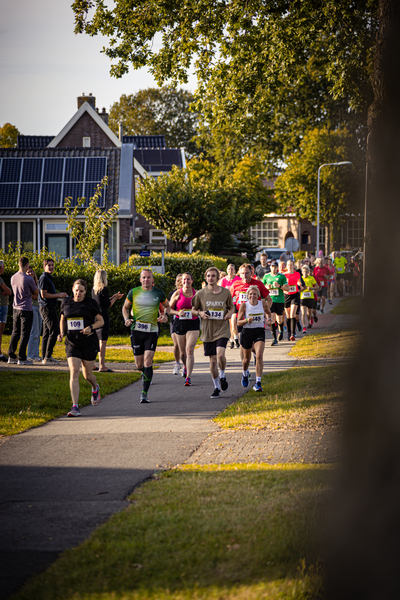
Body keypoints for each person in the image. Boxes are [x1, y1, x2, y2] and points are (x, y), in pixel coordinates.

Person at [122, 269, 170, 403]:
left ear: (152, 280)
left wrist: (165, 316)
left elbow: (167, 306)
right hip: (136, 330)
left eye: (148, 278)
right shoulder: (133, 292)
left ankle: (144, 393)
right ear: (140, 279)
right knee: (139, 365)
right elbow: (125, 307)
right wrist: (126, 318)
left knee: (148, 360)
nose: (146, 280)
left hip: (152, 330)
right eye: (144, 277)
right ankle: (146, 372)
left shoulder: (158, 293)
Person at [57, 279, 104, 417]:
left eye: (81, 291)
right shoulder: (66, 302)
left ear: (85, 292)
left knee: (87, 375)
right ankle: (75, 406)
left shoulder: (90, 303)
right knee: (74, 371)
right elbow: (62, 319)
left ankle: (95, 388)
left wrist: (91, 327)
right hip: (72, 343)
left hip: (89, 342)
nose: (78, 293)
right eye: (76, 290)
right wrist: (61, 332)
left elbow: (101, 321)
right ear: (73, 289)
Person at [191, 266, 234, 398]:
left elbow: (232, 307)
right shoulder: (200, 294)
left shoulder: (225, 292)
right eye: (208, 276)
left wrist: (229, 314)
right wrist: (200, 313)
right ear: (205, 278)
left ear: (218, 277)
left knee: (220, 356)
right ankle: (216, 387)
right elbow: (193, 309)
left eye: (213, 276)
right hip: (208, 330)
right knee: (213, 361)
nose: (211, 278)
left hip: (222, 328)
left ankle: (222, 375)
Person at [237, 285, 271, 391]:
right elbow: (238, 322)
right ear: (247, 295)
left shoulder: (263, 304)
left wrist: (269, 319)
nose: (252, 296)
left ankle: (258, 382)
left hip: (259, 331)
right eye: (250, 294)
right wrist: (246, 320)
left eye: (255, 294)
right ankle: (245, 374)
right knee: (246, 360)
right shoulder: (244, 306)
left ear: (258, 295)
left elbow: (268, 313)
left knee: (259, 355)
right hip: (247, 332)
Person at [169, 272, 200, 386]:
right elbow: (169, 310)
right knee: (182, 354)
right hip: (179, 323)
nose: (186, 282)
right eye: (184, 280)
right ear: (181, 281)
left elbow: (202, 307)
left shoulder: (197, 294)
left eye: (188, 280)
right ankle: (185, 366)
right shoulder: (177, 293)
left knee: (189, 350)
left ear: (192, 281)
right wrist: (177, 312)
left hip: (193, 323)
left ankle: (188, 377)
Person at [91, 270, 124, 372]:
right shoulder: (104, 289)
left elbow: (101, 301)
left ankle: (92, 364)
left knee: (96, 341)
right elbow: (107, 304)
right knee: (103, 342)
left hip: (95, 317)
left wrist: (113, 296)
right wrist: (115, 299)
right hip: (103, 317)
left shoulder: (94, 290)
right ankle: (102, 366)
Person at [7, 257, 38, 365]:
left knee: (15, 332)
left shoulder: (13, 277)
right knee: (25, 334)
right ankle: (22, 358)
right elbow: (36, 292)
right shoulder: (28, 278)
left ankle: (11, 356)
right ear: (26, 265)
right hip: (26, 309)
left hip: (15, 308)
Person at [38, 258, 67, 365]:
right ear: (44, 267)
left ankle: (45, 356)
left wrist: (58, 297)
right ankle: (47, 357)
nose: (51, 267)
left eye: (52, 265)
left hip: (48, 307)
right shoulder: (44, 278)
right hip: (47, 308)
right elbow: (43, 295)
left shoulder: (48, 277)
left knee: (46, 332)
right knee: (54, 331)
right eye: (48, 265)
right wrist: (59, 295)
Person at [262, 261, 289, 346]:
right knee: (272, 318)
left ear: (277, 268)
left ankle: (280, 331)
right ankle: (274, 338)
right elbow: (261, 288)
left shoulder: (282, 276)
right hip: (270, 300)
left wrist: (279, 286)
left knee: (280, 319)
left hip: (280, 300)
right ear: (270, 267)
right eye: (272, 267)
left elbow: (287, 288)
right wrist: (267, 287)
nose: (273, 268)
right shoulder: (266, 276)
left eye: (275, 267)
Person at [219, 263, 241, 348]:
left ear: (234, 270)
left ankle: (235, 338)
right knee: (230, 324)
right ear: (227, 270)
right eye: (229, 269)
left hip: (235, 303)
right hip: (226, 304)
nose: (230, 271)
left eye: (232, 269)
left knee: (234, 321)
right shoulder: (223, 280)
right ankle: (232, 339)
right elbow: (220, 291)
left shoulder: (238, 279)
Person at [283, 260, 302, 340]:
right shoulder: (284, 275)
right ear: (286, 266)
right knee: (287, 316)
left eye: (291, 265)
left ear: (293, 266)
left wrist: (299, 284)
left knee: (292, 314)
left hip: (295, 295)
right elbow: (281, 285)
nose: (290, 266)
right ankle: (289, 331)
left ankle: (293, 333)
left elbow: (299, 281)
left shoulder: (297, 273)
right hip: (286, 295)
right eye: (288, 265)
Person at [26, 267, 42, 362]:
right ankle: (31, 355)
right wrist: (36, 296)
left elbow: (39, 296)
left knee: (37, 332)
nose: (30, 273)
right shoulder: (26, 283)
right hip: (32, 308)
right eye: (28, 272)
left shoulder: (38, 282)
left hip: (40, 308)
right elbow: (37, 296)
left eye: (31, 271)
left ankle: (36, 354)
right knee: (34, 332)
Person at [169, 274, 183, 375]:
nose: (179, 282)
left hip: (187, 321)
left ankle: (186, 365)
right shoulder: (172, 293)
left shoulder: (189, 293)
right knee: (177, 344)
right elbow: (168, 308)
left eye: (181, 280)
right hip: (174, 321)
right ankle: (177, 363)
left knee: (185, 346)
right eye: (178, 280)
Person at [300, 265, 319, 331]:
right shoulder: (300, 278)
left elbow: (317, 286)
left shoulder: (311, 278)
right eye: (304, 272)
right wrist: (300, 289)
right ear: (302, 272)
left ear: (308, 272)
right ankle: (304, 327)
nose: (305, 273)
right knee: (303, 313)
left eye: (306, 271)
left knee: (309, 313)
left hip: (310, 297)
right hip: (302, 297)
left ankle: (311, 318)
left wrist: (312, 288)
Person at [0, 260, 11, 362]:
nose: (4, 269)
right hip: (2, 305)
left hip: (2, 305)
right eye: (3, 267)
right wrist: (7, 291)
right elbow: (9, 291)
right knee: (0, 330)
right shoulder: (0, 279)